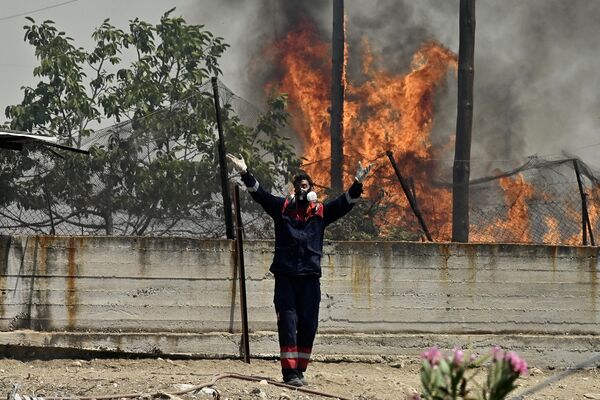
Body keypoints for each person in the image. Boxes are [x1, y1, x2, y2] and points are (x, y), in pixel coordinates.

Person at [227, 153, 372, 387]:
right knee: (288, 323)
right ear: (292, 191)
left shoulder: (321, 213)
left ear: (312, 190)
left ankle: (300, 369)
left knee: (308, 324)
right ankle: (290, 374)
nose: (302, 190)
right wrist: (245, 172)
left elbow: (345, 204)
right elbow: (260, 195)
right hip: (286, 278)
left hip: (310, 278)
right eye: (298, 187)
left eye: (305, 186)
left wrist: (358, 183)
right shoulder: (282, 210)